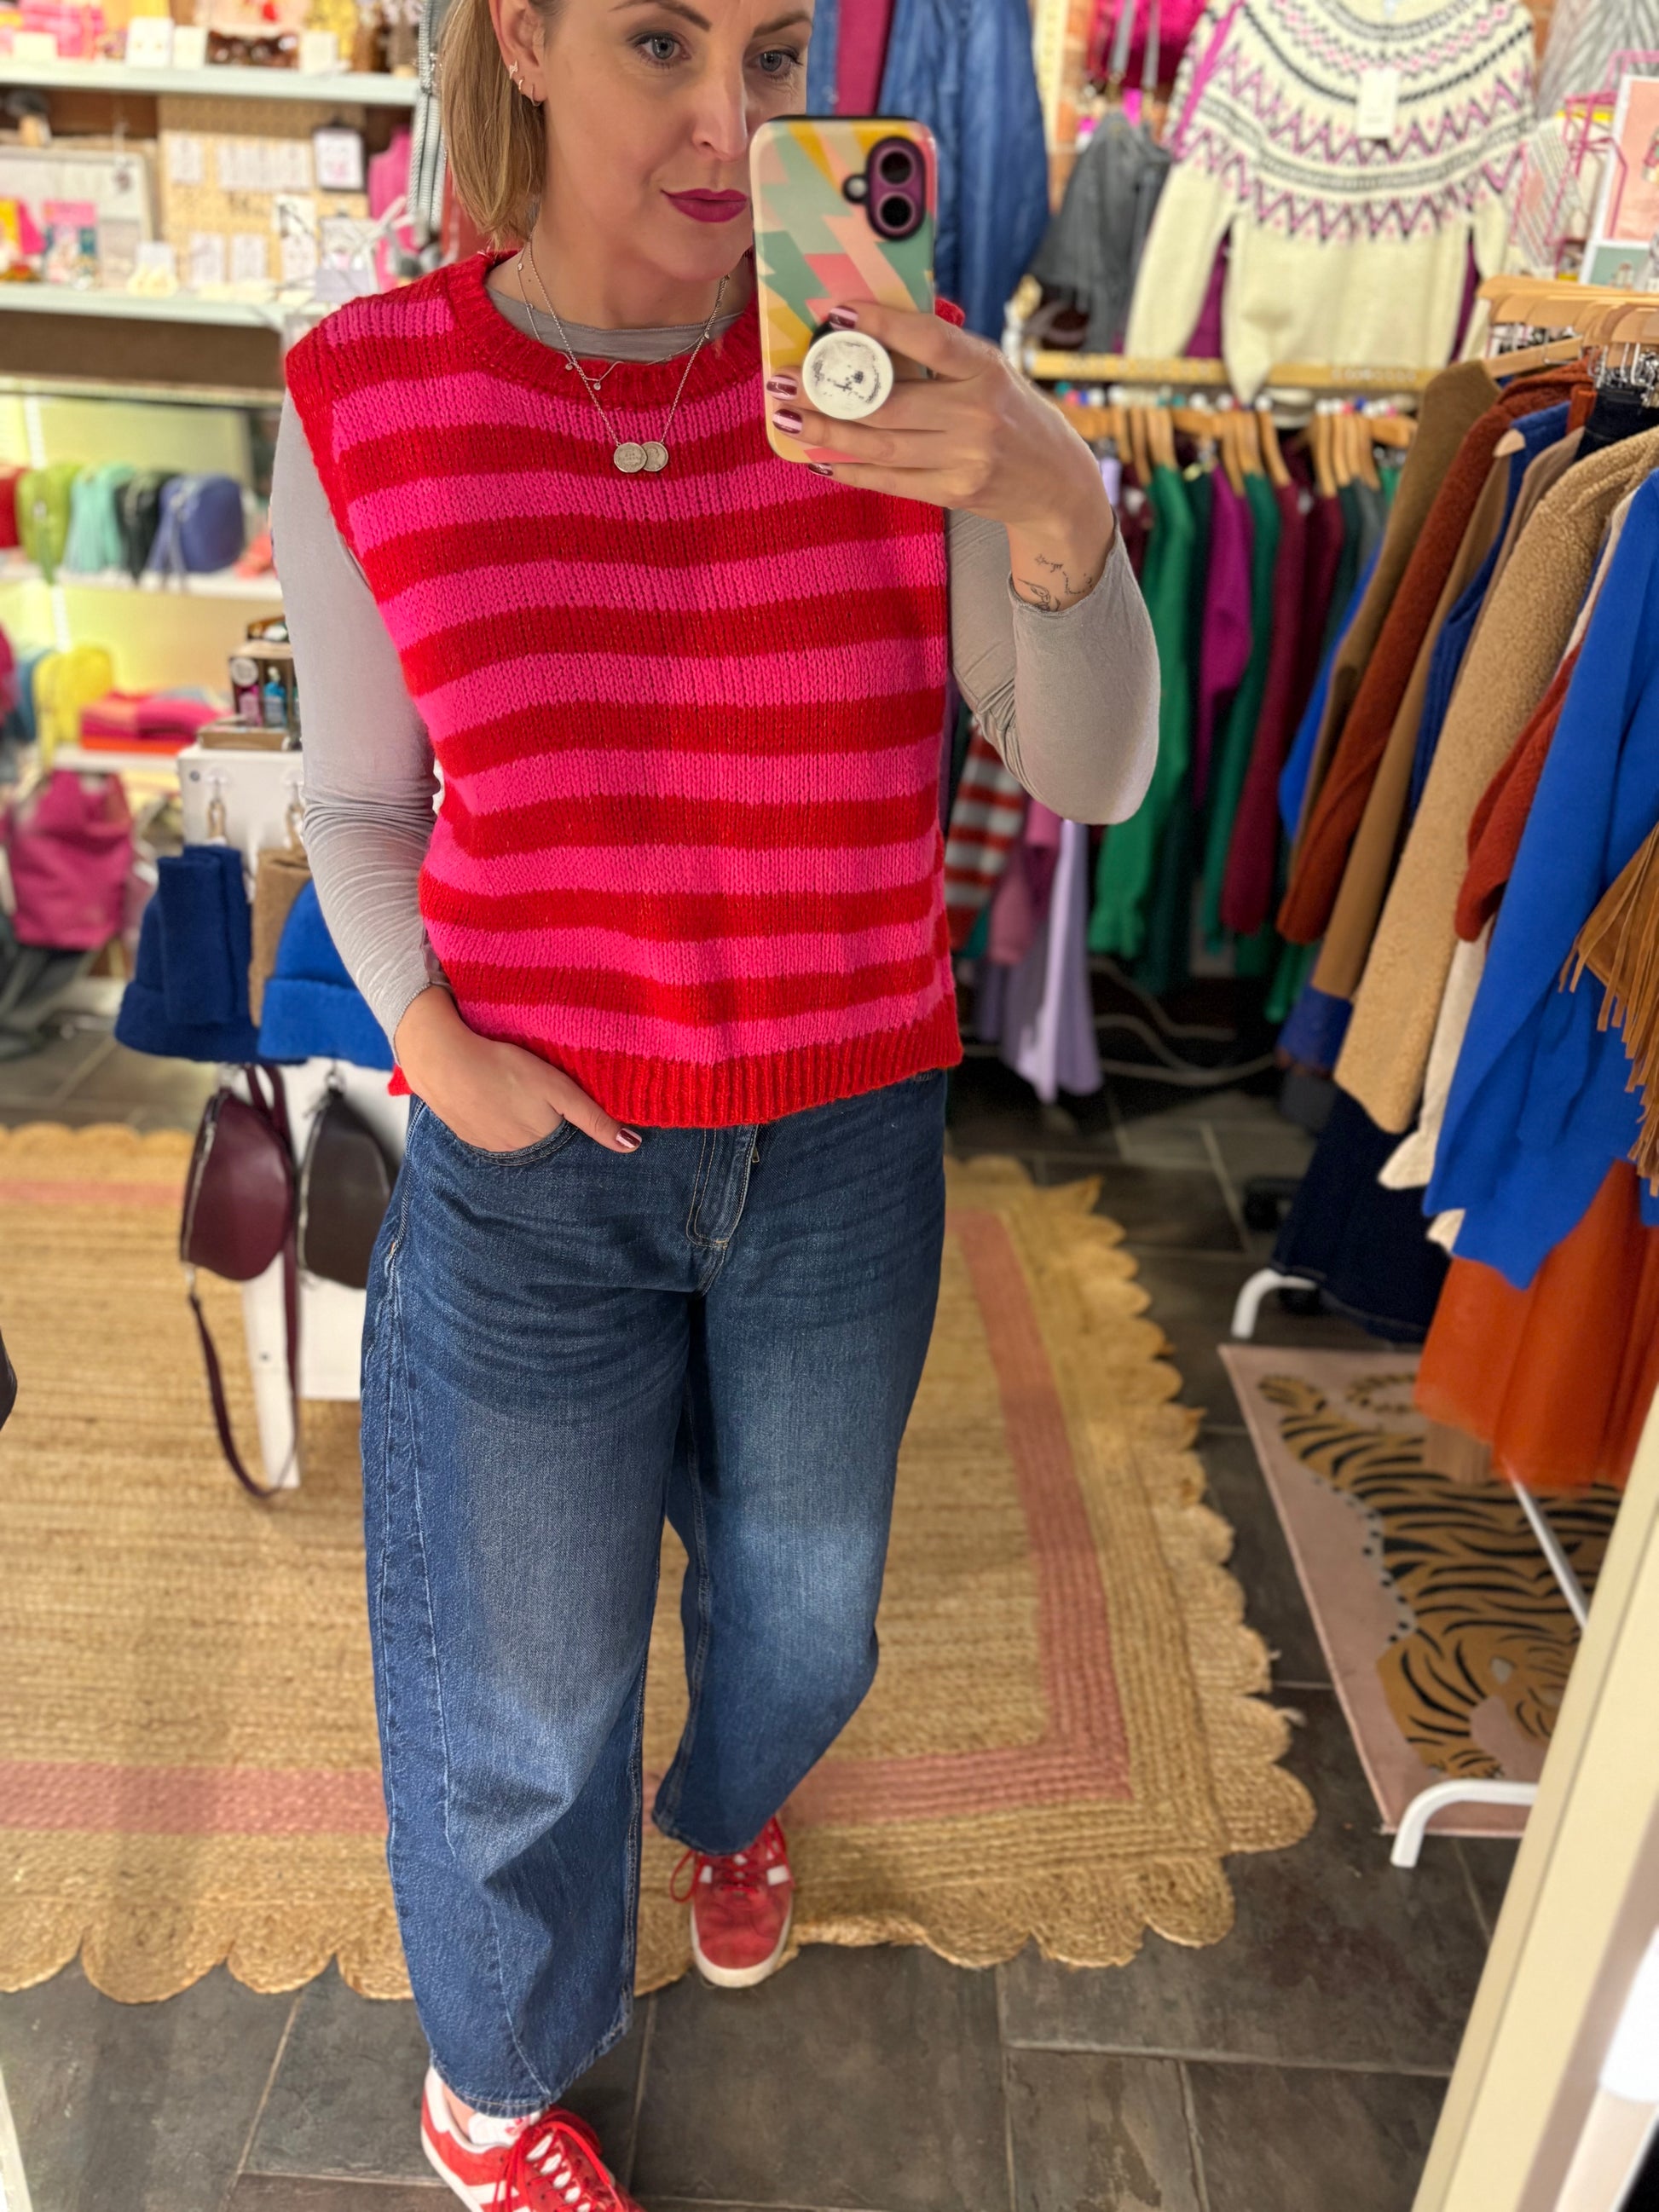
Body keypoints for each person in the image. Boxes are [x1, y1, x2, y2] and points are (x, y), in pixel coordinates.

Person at [270, 0, 1158, 2196]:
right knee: (525, 1687)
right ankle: (491, 2084)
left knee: (806, 1610)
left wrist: (1053, 494)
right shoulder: (369, 395)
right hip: (534, 1154)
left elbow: (1090, 771)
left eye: (769, 55)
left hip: (845, 1138)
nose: (722, 118)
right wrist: (438, 1051)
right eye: (659, 40)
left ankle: (732, 1800)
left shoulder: (901, 391)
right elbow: (362, 806)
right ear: (523, 37)